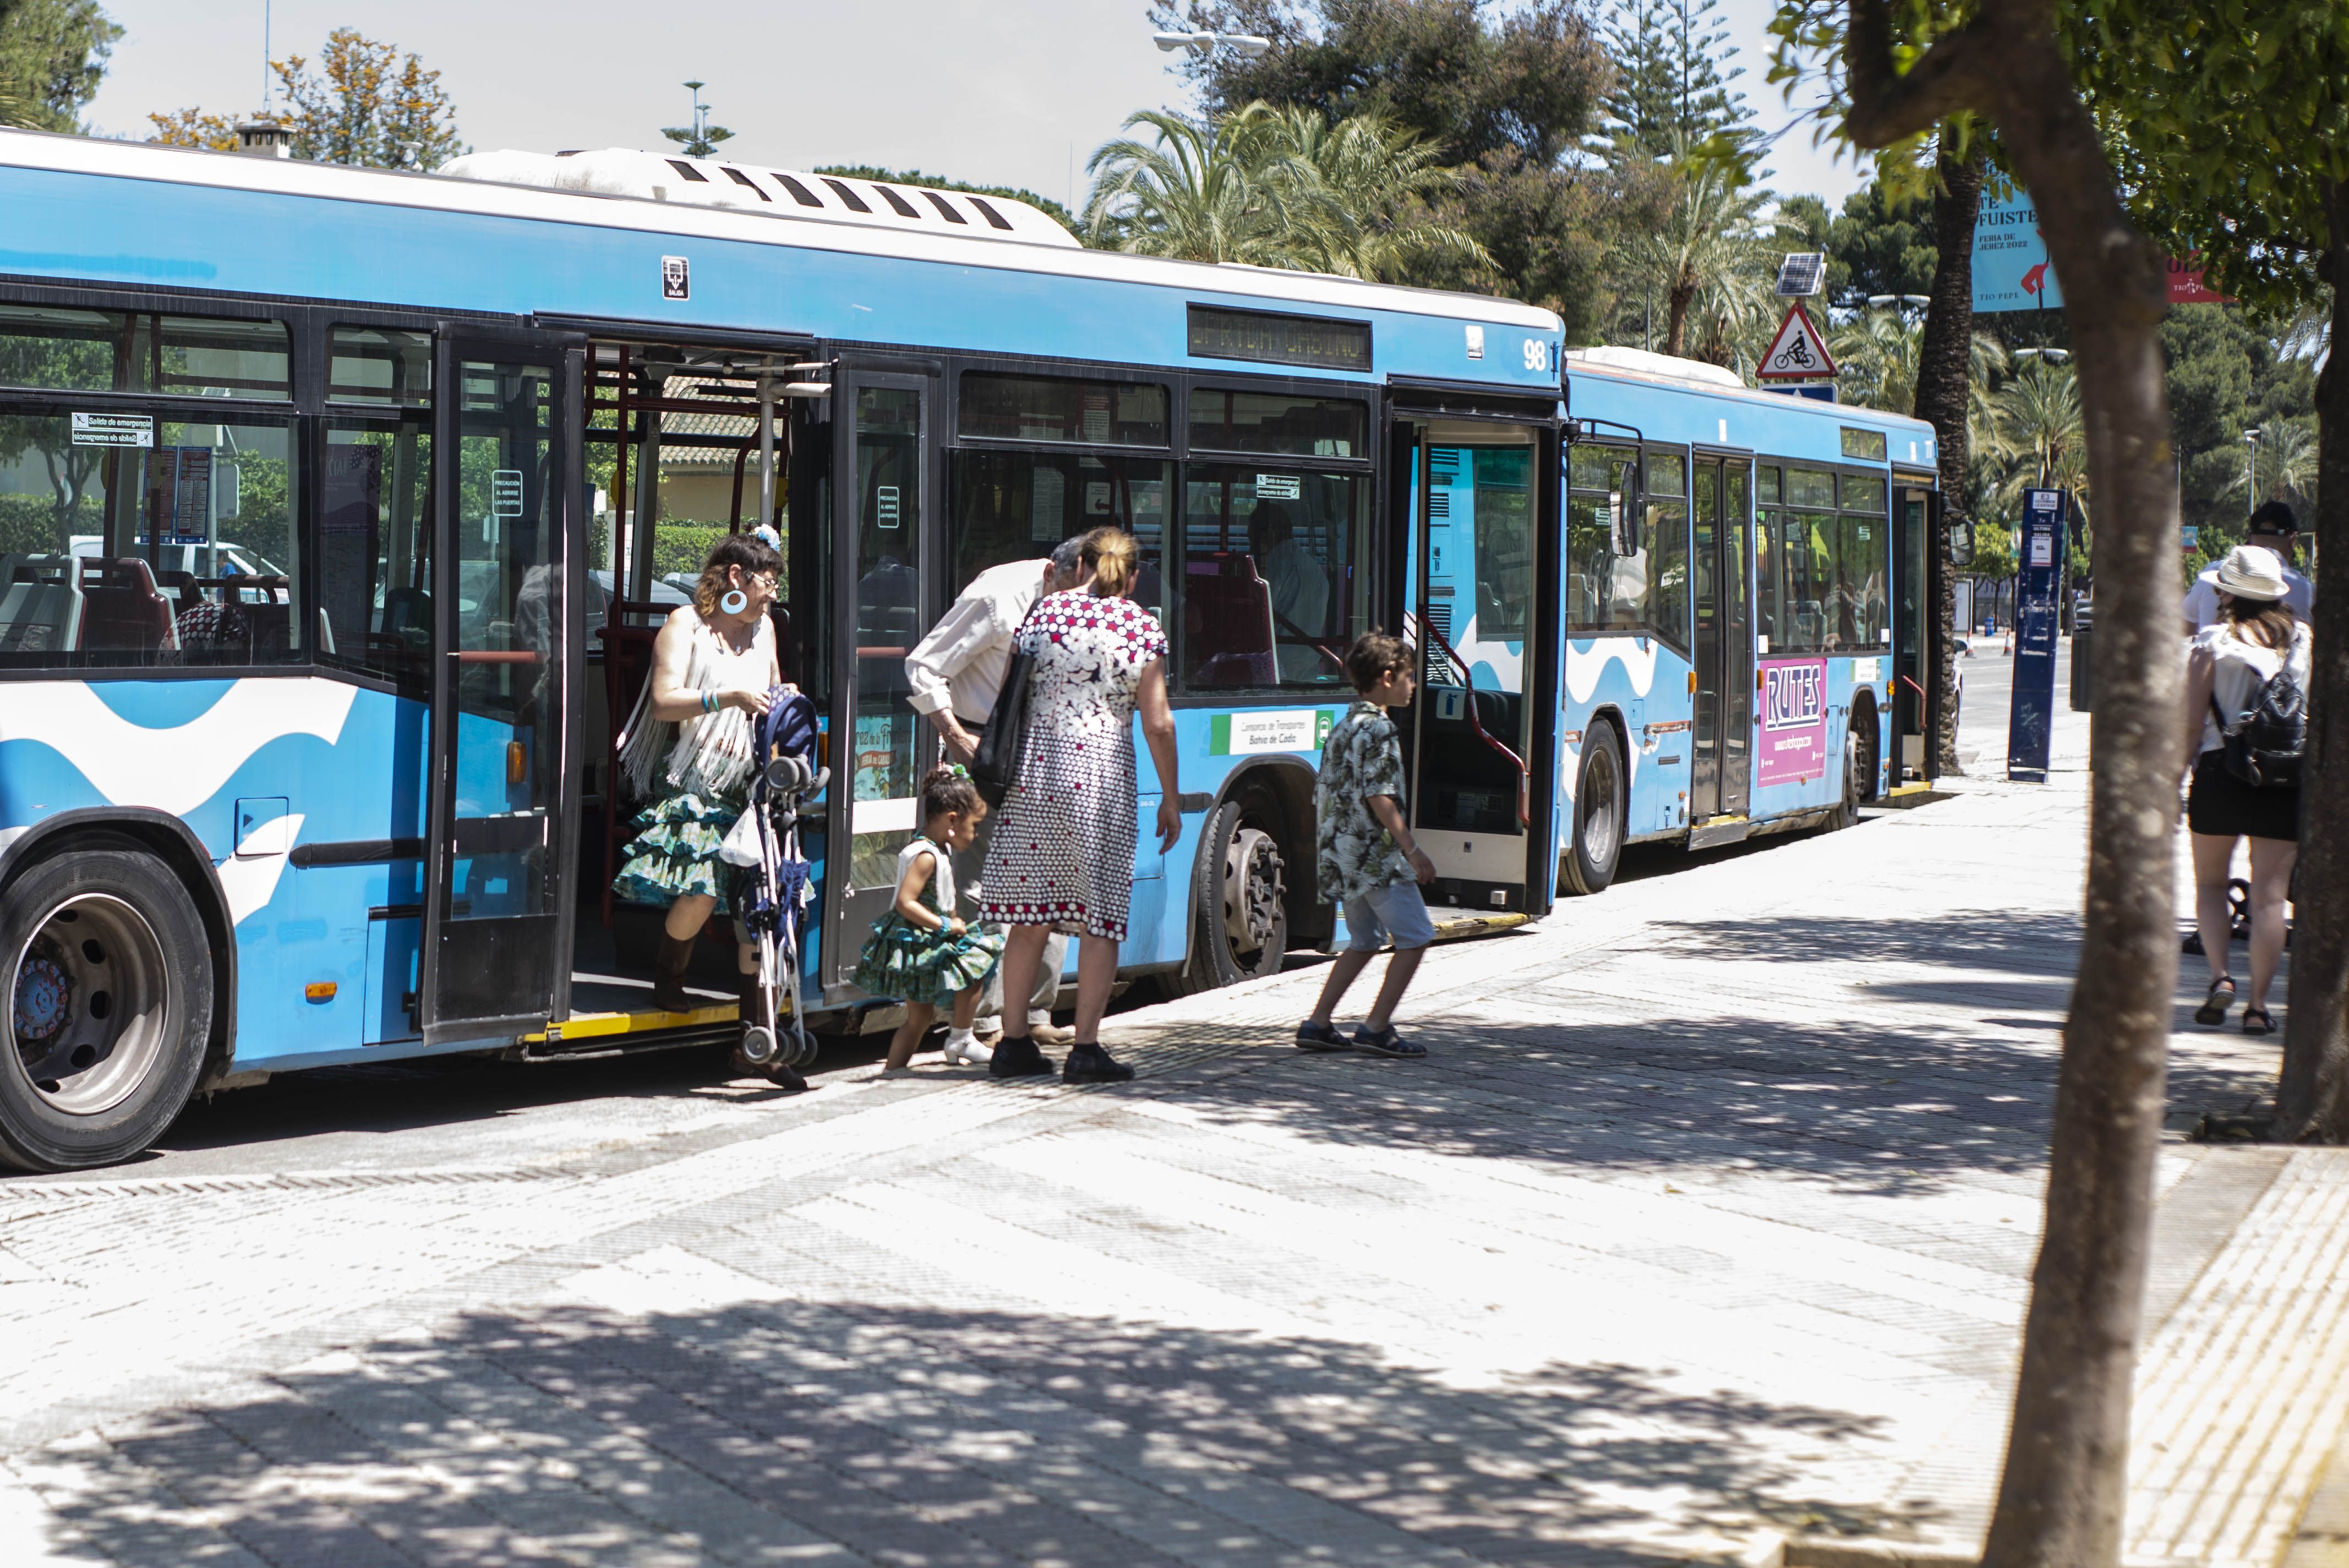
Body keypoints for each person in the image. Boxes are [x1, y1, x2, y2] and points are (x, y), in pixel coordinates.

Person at [981, 525, 1182, 1083]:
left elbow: (1007, 694)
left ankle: (1012, 1041)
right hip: (1100, 779)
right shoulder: (1141, 627)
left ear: (1080, 566)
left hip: (1034, 775)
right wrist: (1169, 796)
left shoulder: (1041, 615)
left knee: (1030, 916)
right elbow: (1157, 721)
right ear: (1133, 575)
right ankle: (1086, 1048)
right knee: (1100, 919)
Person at [610, 529, 802, 1085]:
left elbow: (771, 693)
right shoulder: (684, 626)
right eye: (768, 582)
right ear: (738, 579)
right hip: (695, 777)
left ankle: (756, 1045)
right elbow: (666, 703)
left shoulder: (765, 628)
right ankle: (668, 972)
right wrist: (728, 698)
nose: (772, 594)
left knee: (758, 914)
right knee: (700, 890)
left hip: (752, 781)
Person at [903, 536, 1086, 1046]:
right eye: (1071, 591)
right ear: (1053, 571)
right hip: (983, 748)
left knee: (1051, 888)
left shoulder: (1088, 598)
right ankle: (980, 1019)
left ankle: (1034, 1013)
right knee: (982, 890)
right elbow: (923, 665)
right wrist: (958, 740)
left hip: (1046, 751)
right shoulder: (997, 597)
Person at [2181, 544, 2310, 1036]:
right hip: (2284, 780)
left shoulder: (2212, 643)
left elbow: (2191, 725)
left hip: (2219, 774)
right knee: (2270, 902)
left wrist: (2173, 781)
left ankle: (2220, 978)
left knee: (2211, 885)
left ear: (2225, 593)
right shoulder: (2305, 644)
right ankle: (2258, 1006)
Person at [1296, 632, 1438, 1058]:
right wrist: (1412, 849)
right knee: (1415, 936)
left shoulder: (1344, 726)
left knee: (1363, 940)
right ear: (1388, 677)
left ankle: (1318, 1021)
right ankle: (1376, 1027)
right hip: (1375, 858)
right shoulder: (1380, 728)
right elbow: (1380, 795)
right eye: (1410, 677)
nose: (1413, 686)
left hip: (1342, 856)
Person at [853, 767, 1006, 1073]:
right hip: (920, 940)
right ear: (952, 821)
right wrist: (947, 926)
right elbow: (905, 902)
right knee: (977, 962)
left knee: (919, 1020)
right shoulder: (926, 855)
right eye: (974, 826)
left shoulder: (932, 847)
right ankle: (961, 1038)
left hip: (920, 939)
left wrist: (950, 918)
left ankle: (892, 1072)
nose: (976, 834)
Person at [2186, 501, 2313, 631]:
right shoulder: (2308, 591)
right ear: (2293, 540)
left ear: (2250, 536)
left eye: (2219, 590)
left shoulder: (2215, 570)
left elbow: (2185, 627)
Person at [1250, 500, 1332, 681]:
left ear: (1267, 535)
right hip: (1308, 669)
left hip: (1274, 668)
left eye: (1252, 538)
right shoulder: (1315, 569)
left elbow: (1258, 615)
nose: (1251, 546)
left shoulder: (1273, 563)